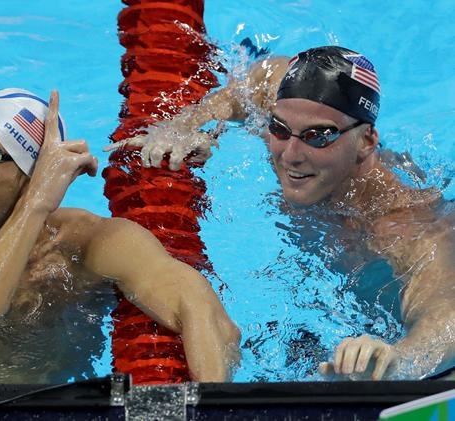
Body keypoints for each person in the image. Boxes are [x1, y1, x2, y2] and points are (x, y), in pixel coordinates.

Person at [0, 88, 240, 414]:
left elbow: (203, 311)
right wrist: (34, 203)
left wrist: (212, 407)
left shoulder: (82, 244)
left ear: (28, 177)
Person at [107, 46, 455, 381]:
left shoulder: (398, 222)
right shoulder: (291, 108)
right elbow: (252, 84)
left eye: (318, 137)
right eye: (278, 129)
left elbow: (444, 313)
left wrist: (396, 360)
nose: (290, 155)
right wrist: (187, 125)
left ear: (366, 141)